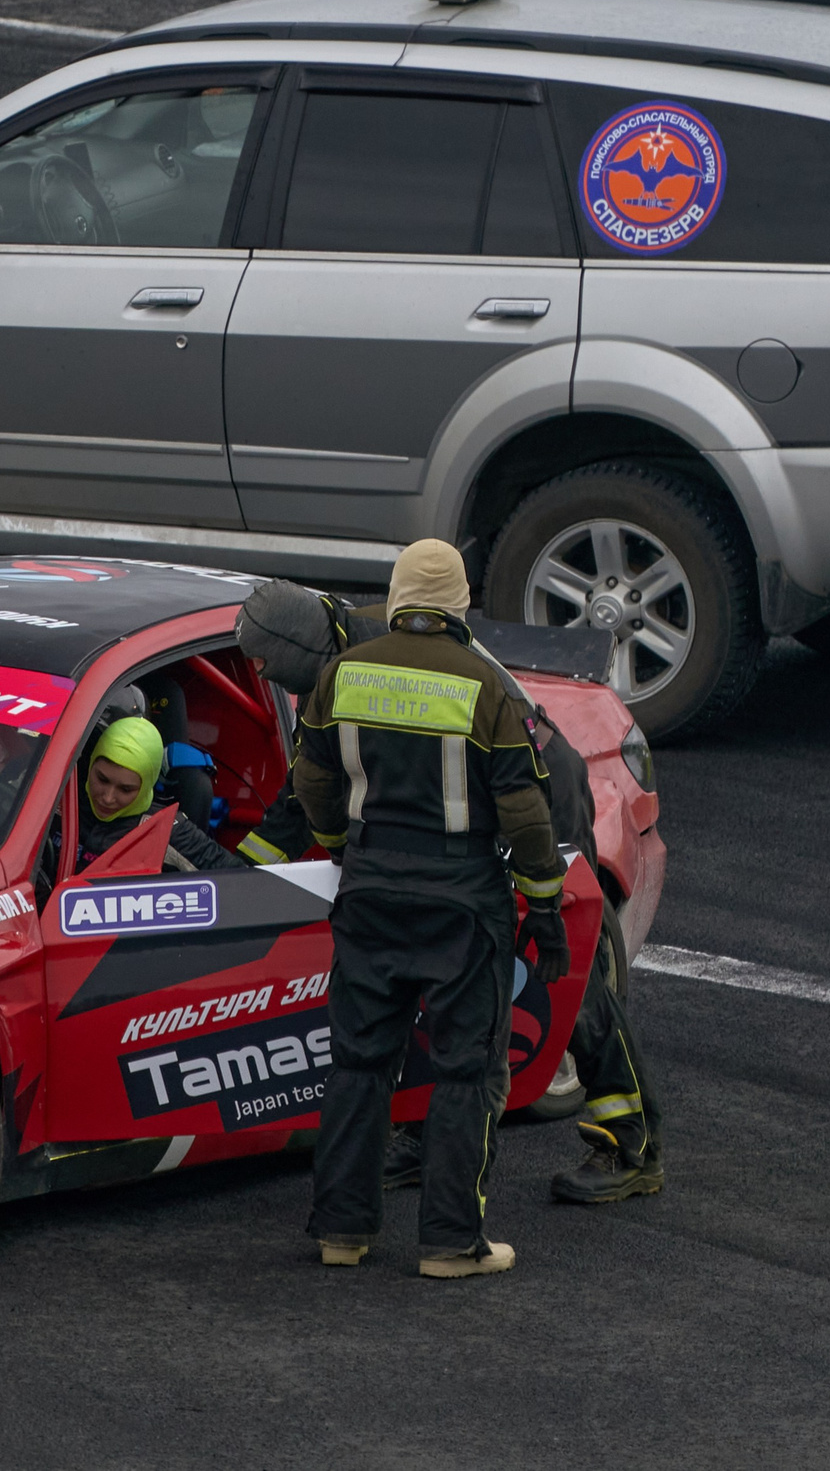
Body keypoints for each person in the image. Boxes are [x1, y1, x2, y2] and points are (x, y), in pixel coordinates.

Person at [235, 578, 668, 1206]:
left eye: (267, 666)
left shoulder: (371, 664)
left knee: (554, 972)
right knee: (434, 972)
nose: (266, 679)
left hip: (534, 791)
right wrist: (242, 876)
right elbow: (314, 784)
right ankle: (422, 1135)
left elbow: (314, 791)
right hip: (483, 800)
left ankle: (631, 1142)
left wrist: (539, 897)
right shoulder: (343, 650)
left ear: (298, 650)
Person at [291, 540, 571, 1280]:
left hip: (370, 890)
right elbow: (525, 811)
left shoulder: (343, 673)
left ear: (396, 596)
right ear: (460, 604)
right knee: (463, 1072)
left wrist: (340, 845)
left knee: (358, 1062)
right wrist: (543, 901)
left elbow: (311, 778)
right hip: (462, 900)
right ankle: (450, 1243)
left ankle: (341, 1232)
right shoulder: (484, 684)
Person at [34, 713, 243, 896]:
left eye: (125, 789)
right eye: (102, 779)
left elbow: (243, 885)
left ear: (147, 785)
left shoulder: (166, 830)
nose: (108, 797)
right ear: (90, 765)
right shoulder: (53, 797)